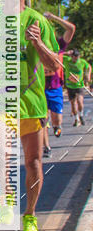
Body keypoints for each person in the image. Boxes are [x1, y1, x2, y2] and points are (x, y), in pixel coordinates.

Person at [0, 0, 61, 231]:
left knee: (33, 162)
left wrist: (37, 43)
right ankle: (8, 198)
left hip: (30, 101)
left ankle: (30, 216)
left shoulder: (37, 20)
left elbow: (54, 66)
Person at [41, 12, 75, 154]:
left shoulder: (59, 46)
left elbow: (71, 29)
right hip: (40, 87)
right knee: (42, 119)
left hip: (55, 88)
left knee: (56, 120)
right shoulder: (36, 46)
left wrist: (54, 17)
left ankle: (57, 127)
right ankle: (46, 147)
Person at [64, 48, 92, 126]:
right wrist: (67, 52)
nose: (76, 59)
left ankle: (81, 115)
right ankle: (76, 119)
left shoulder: (82, 62)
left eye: (78, 57)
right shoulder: (67, 60)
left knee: (80, 101)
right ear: (72, 56)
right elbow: (57, 55)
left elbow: (89, 66)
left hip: (79, 85)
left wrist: (88, 75)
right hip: (70, 86)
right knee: (73, 104)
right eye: (75, 57)